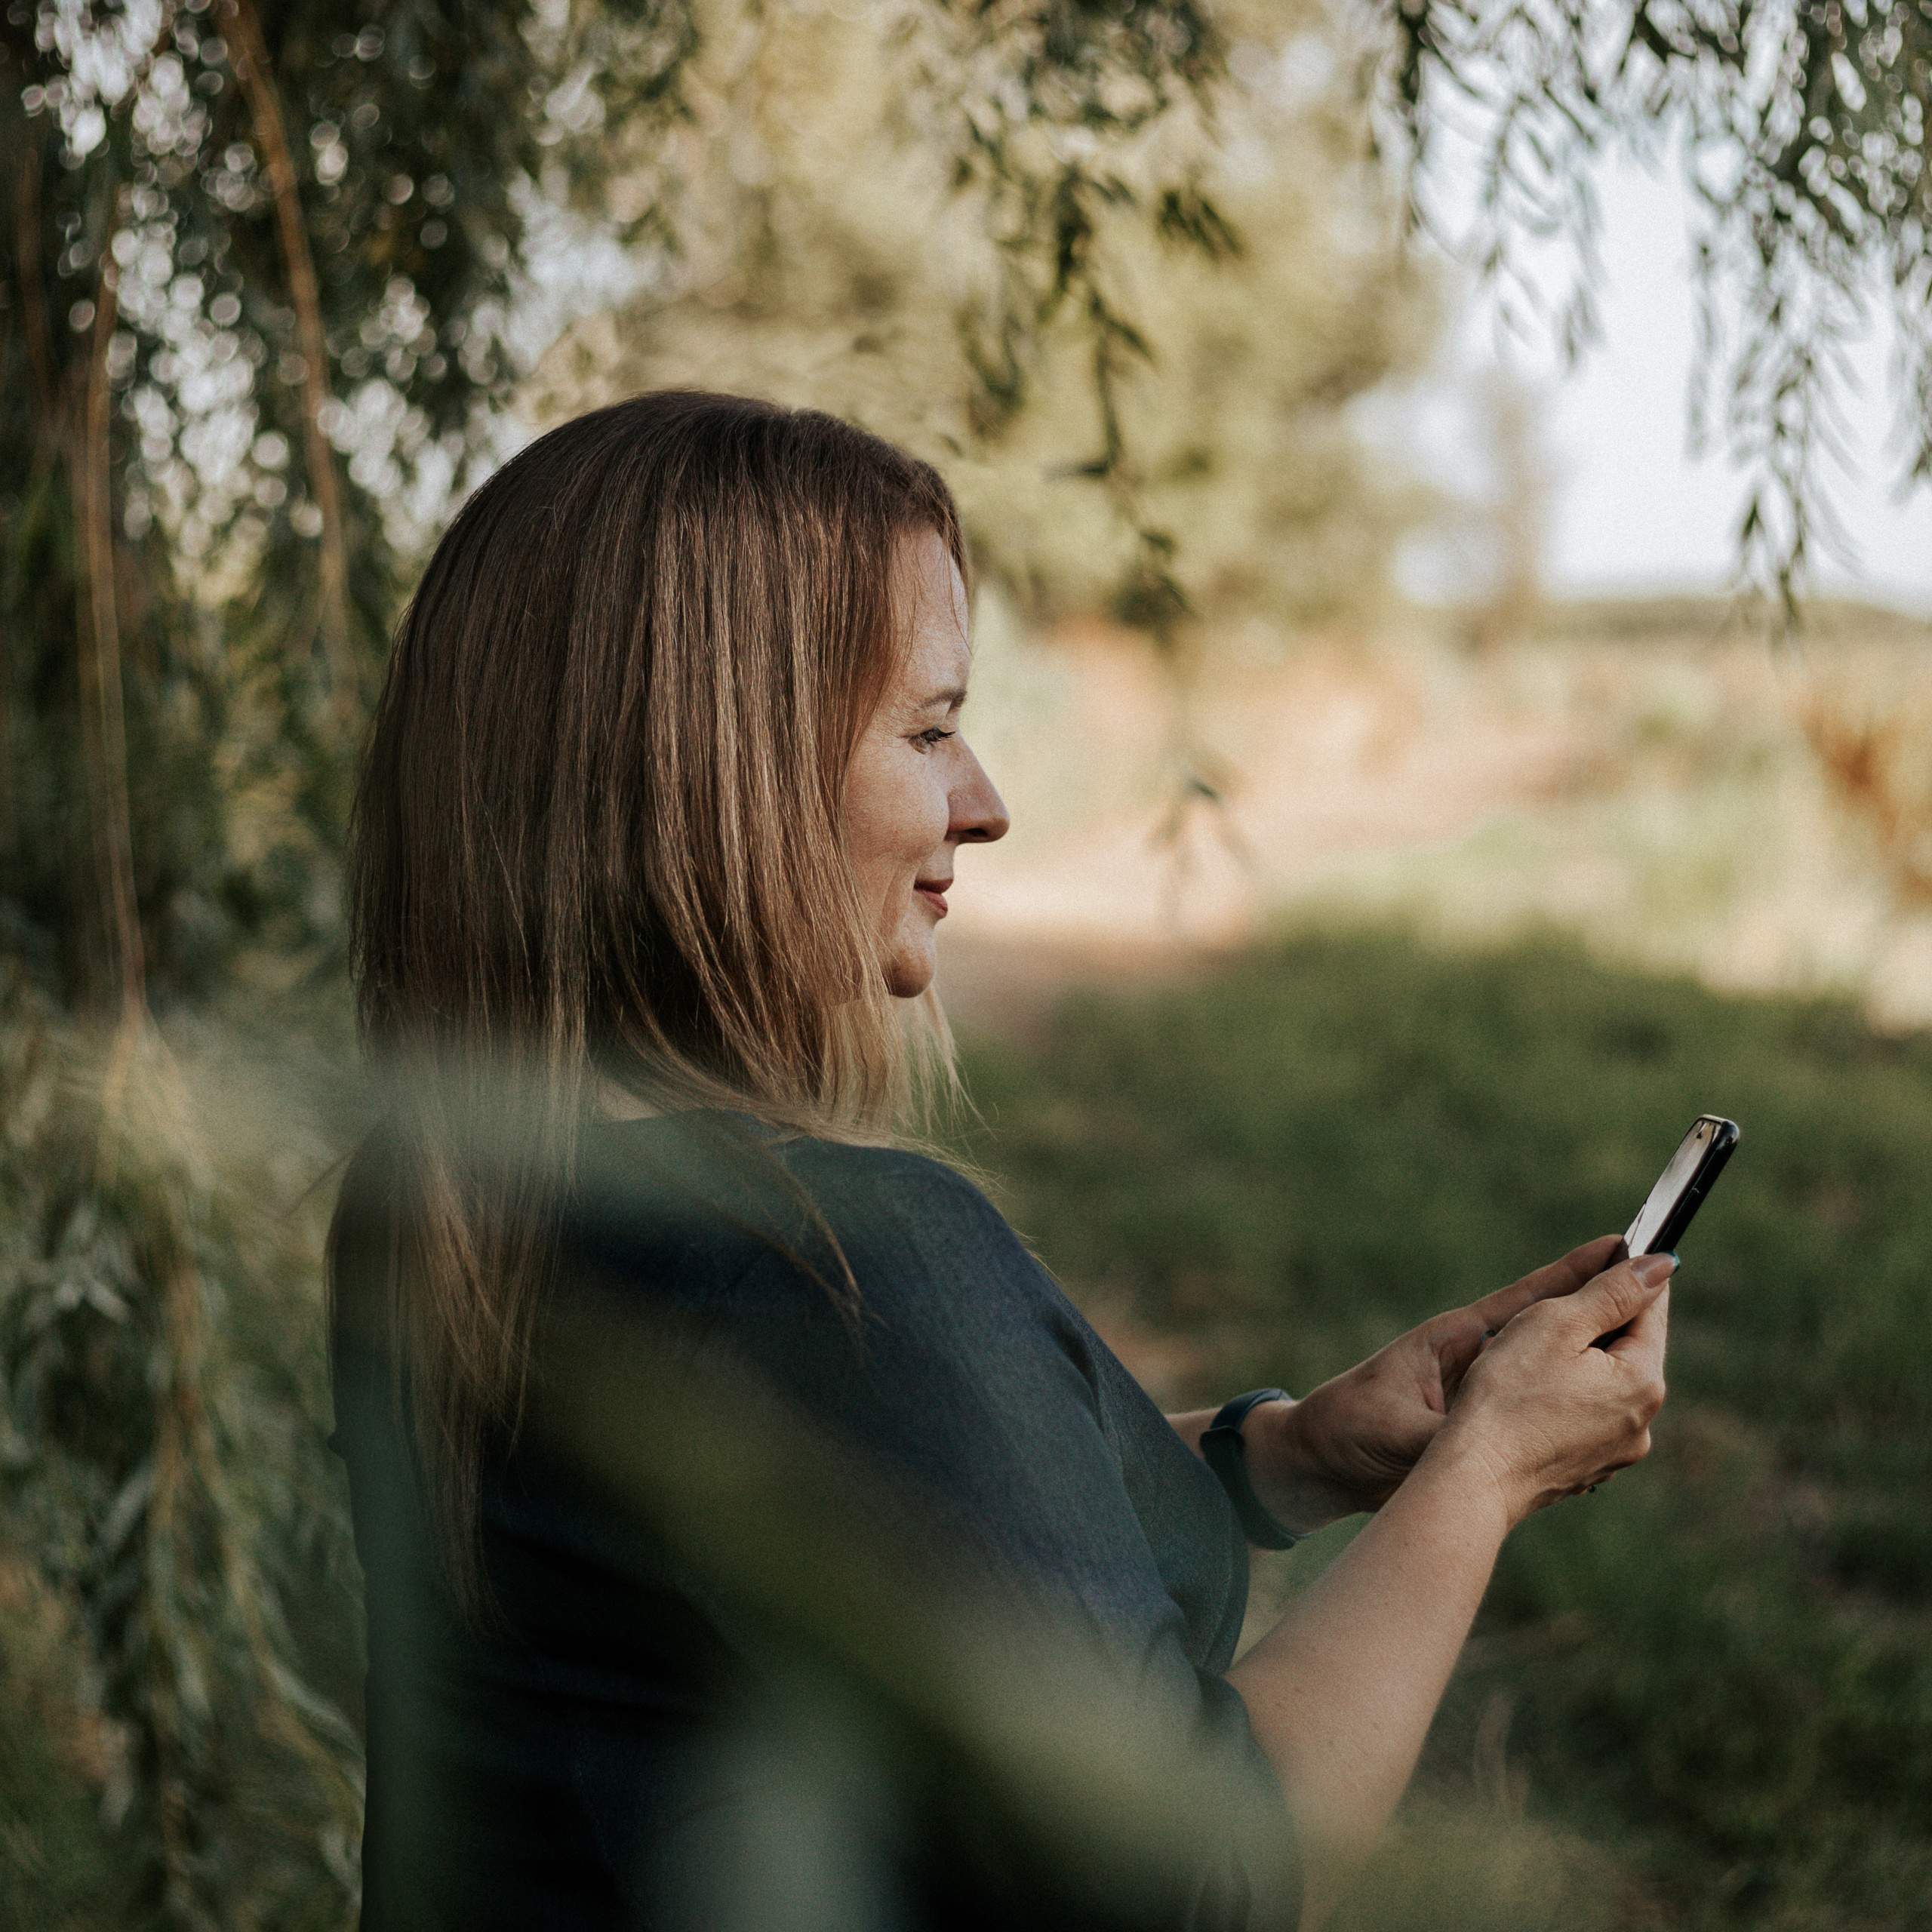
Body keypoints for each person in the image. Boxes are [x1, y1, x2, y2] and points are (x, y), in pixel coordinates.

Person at [328, 391, 1670, 1932]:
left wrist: (1282, 1458)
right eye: (925, 729)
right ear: (712, 773)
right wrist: (1483, 1473)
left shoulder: (442, 1192)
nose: (985, 803)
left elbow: (869, 1542)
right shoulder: (839, 1266)